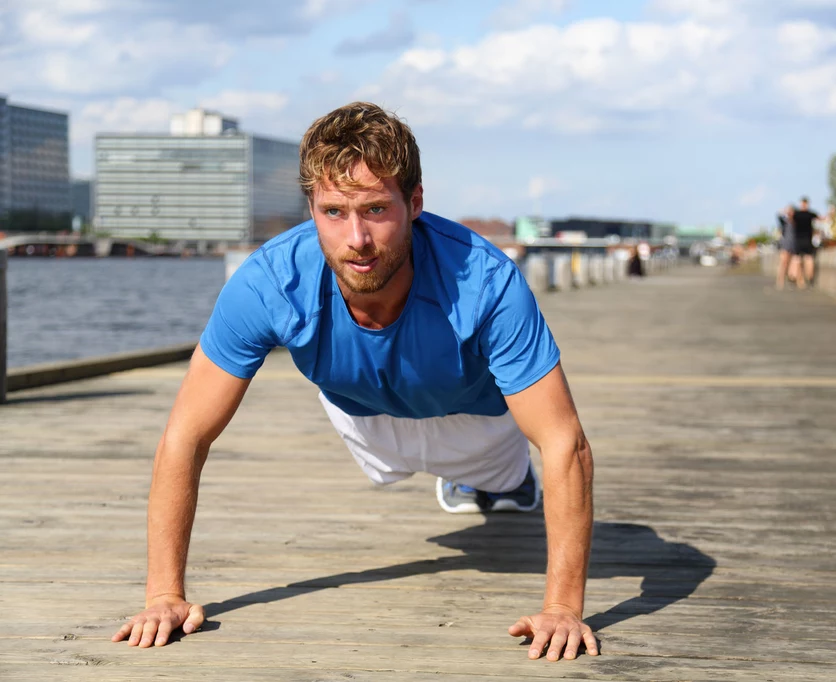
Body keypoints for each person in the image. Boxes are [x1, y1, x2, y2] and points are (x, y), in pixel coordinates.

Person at [111, 102, 599, 662]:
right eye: (335, 212)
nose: (358, 237)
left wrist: (562, 607)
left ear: (415, 202)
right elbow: (185, 436)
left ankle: (503, 483)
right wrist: (164, 595)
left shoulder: (487, 281)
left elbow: (566, 443)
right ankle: (468, 476)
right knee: (385, 456)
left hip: (477, 419)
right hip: (361, 409)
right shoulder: (270, 281)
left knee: (501, 467)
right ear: (311, 208)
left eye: (375, 209)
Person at [787, 197, 820, 289]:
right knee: (809, 259)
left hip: (798, 240)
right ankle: (810, 278)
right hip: (808, 240)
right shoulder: (811, 214)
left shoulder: (796, 214)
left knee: (796, 259)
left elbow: (790, 219)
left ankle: (793, 277)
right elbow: (821, 220)